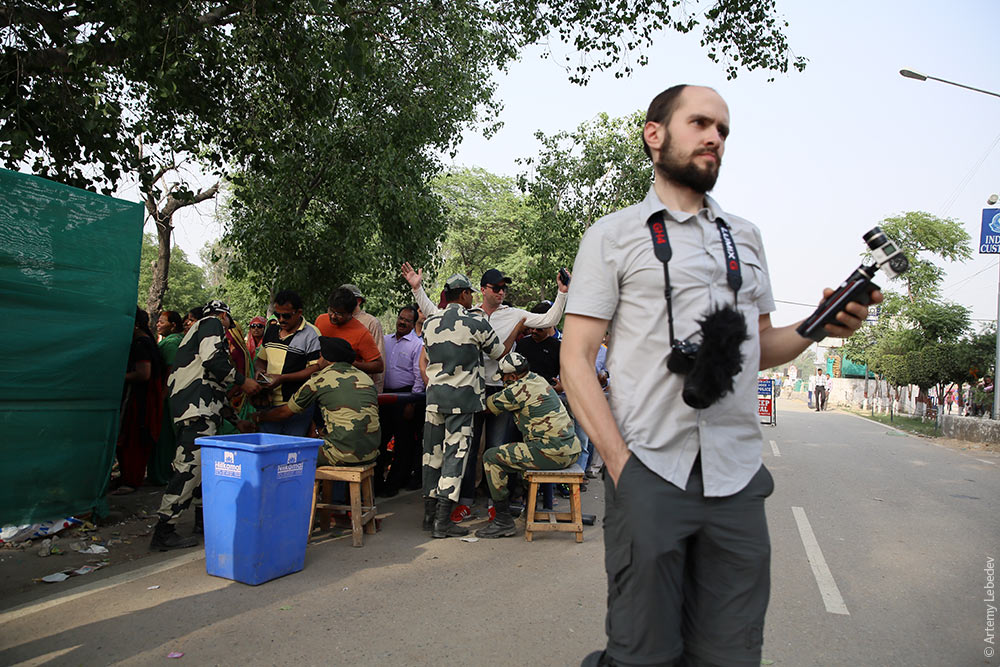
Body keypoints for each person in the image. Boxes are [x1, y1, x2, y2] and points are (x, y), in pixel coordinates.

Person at [560, 84, 879, 666]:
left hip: (736, 480)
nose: (715, 137)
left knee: (731, 655)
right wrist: (620, 467)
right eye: (701, 123)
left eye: (724, 130)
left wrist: (817, 325)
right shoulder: (613, 235)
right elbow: (575, 358)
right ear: (655, 135)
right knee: (642, 655)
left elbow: (760, 345)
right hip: (650, 468)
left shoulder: (746, 237)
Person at [402, 263, 570, 521]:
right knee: (466, 449)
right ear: (480, 290)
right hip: (473, 391)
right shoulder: (471, 315)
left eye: (504, 288)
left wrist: (562, 293)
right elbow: (435, 313)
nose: (502, 292)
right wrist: (417, 289)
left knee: (497, 446)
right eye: (497, 288)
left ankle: (496, 504)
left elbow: (549, 320)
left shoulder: (514, 313)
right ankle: (464, 502)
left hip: (501, 389)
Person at [151, 300, 260, 551]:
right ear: (224, 316)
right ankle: (164, 530)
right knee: (189, 467)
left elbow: (213, 389)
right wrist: (244, 382)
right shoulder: (211, 323)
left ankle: (202, 522)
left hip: (197, 408)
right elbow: (214, 361)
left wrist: (236, 421)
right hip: (195, 410)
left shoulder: (197, 336)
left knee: (203, 469)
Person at [420, 273, 522, 538]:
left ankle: (428, 515)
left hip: (434, 401)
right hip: (463, 402)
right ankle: (442, 522)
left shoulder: (430, 322)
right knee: (455, 457)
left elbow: (429, 355)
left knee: (432, 457)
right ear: (464, 294)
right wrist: (516, 328)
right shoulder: (476, 321)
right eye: (471, 294)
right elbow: (499, 354)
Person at [476, 353, 581, 538]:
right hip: (571, 450)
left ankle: (502, 521)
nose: (502, 381)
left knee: (491, 457)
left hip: (552, 453)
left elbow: (484, 407)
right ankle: (528, 511)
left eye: (503, 377)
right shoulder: (537, 379)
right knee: (521, 453)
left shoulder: (515, 390)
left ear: (513, 377)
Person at [253, 337, 380, 466]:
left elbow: (284, 413)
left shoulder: (320, 380)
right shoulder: (365, 379)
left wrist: (259, 417)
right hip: (371, 453)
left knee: (289, 457)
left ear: (325, 358)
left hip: (340, 455)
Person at [255, 290, 323, 436]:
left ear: (299, 313)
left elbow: (316, 368)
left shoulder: (311, 334)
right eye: (278, 315)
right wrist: (259, 372)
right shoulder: (271, 330)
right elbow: (261, 360)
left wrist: (282, 378)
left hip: (297, 404)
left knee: (291, 453)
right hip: (269, 403)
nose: (281, 319)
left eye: (286, 316)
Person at [115, 307, 166, 494]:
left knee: (134, 437)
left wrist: (118, 376)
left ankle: (131, 480)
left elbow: (143, 374)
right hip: (141, 397)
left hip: (141, 399)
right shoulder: (142, 341)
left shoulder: (140, 344)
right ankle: (127, 476)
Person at [376, 305, 426, 496]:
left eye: (407, 320)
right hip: (384, 396)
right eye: (400, 318)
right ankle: (377, 482)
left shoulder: (416, 344)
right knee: (380, 440)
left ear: (413, 324)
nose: (402, 322)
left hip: (406, 397)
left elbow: (418, 374)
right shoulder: (385, 341)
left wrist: (411, 402)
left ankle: (395, 483)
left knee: (403, 443)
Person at [314, 287, 384, 383]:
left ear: (350, 313)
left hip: (344, 384)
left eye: (339, 314)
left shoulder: (362, 333)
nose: (333, 316)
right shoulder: (321, 320)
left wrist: (350, 363)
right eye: (331, 311)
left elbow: (378, 366)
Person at [149, 310, 185, 486]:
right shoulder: (174, 341)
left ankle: (161, 474)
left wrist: (162, 394)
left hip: (168, 395)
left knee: (164, 436)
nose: (158, 324)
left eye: (162, 322)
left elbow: (170, 372)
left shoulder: (171, 344)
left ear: (173, 325)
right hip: (172, 394)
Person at [341, 284, 386, 392]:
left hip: (362, 386)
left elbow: (380, 360)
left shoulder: (371, 323)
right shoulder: (335, 320)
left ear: (359, 301)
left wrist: (377, 392)